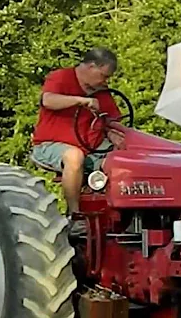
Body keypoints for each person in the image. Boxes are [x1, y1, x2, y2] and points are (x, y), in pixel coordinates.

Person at [31, 48, 126, 234]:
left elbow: (111, 119)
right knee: (74, 157)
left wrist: (113, 132)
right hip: (51, 144)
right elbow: (48, 100)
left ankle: (119, 217)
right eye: (103, 76)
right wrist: (80, 100)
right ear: (91, 66)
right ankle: (75, 216)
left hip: (92, 147)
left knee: (124, 160)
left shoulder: (101, 91)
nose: (105, 81)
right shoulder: (61, 77)